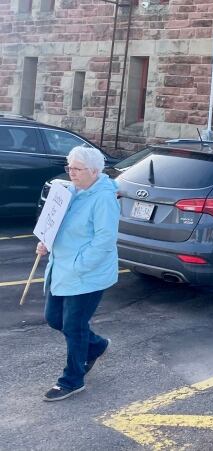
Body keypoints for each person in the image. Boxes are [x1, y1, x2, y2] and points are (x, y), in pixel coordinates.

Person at [37, 145, 119, 402]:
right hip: (61, 268)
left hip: (86, 274)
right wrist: (46, 241)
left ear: (95, 171)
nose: (71, 172)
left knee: (74, 325)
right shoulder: (69, 192)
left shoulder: (103, 198)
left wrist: (79, 265)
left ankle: (72, 380)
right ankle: (96, 345)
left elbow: (104, 240)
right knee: (54, 319)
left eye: (77, 168)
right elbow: (55, 224)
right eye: (69, 167)